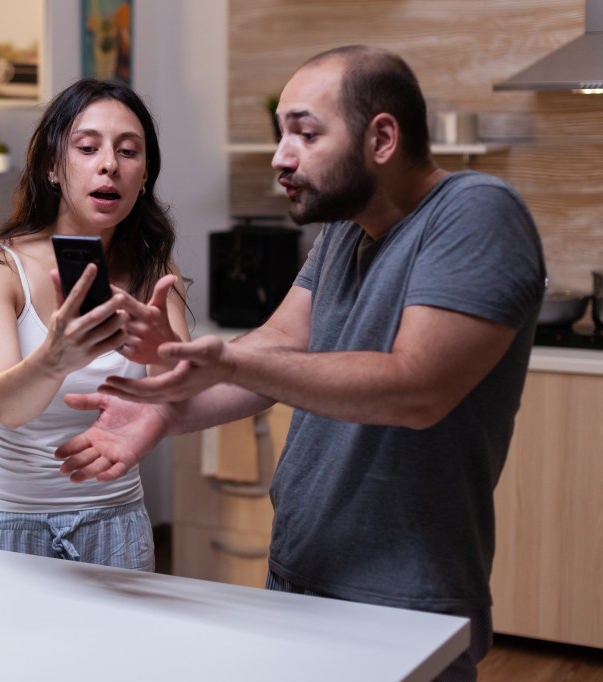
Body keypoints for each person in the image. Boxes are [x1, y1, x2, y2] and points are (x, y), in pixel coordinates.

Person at [54, 46, 545, 680]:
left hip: (403, 591)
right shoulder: (345, 227)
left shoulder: (475, 213)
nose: (282, 156)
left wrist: (225, 363)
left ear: (383, 138)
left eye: (305, 133)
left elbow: (415, 388)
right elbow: (281, 340)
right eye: (280, 132)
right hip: (303, 567)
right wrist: (169, 410)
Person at [0, 77, 190, 572]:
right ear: (53, 167)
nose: (109, 165)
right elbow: (10, 407)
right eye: (87, 147)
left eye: (128, 151)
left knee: (113, 654)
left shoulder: (155, 274)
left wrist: (166, 354)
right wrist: (58, 356)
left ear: (144, 176)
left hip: (113, 518)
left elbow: (184, 404)